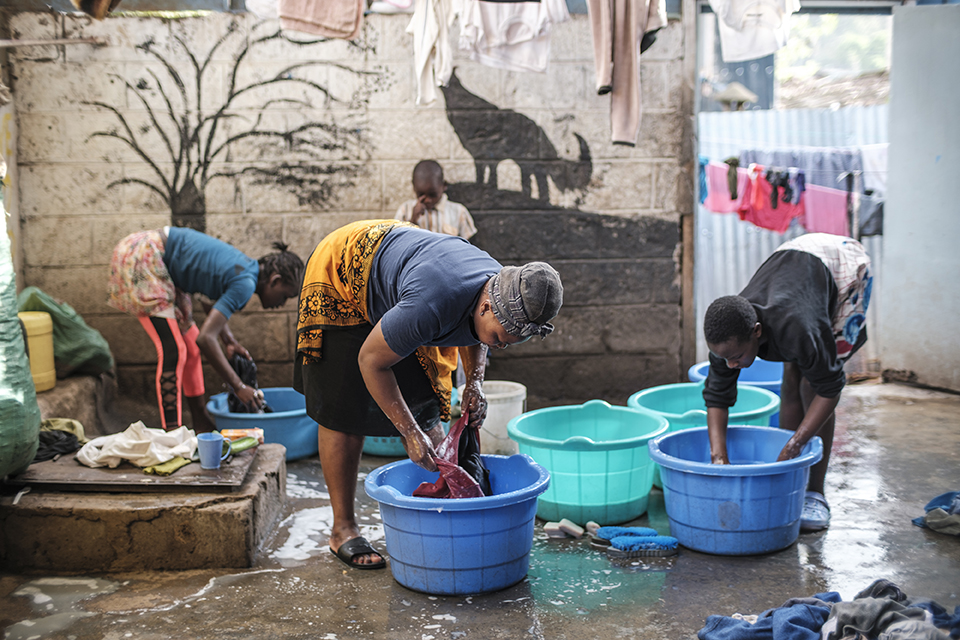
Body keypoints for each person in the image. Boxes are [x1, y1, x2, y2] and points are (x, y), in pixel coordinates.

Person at [294, 219, 562, 569]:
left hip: (404, 276)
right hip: (342, 274)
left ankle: (446, 519)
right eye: (498, 339)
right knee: (343, 411)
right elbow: (371, 361)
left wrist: (475, 383)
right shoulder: (433, 303)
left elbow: (478, 336)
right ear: (486, 307)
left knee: (430, 419)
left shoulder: (503, 286)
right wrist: (408, 433)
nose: (497, 346)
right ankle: (342, 529)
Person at [701, 233, 872, 532]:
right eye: (724, 359)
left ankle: (814, 492)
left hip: (840, 265)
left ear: (756, 331)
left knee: (812, 383)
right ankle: (788, 476)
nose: (731, 365)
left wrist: (794, 444)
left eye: (737, 357)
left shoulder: (800, 327)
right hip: (794, 259)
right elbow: (717, 397)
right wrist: (719, 461)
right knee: (791, 378)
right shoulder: (726, 338)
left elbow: (830, 389)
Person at [107, 226, 304, 432]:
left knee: (191, 347)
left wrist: (229, 341)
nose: (281, 304)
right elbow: (206, 338)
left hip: (157, 259)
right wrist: (238, 386)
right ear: (275, 281)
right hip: (146, 255)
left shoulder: (244, 269)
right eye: (285, 297)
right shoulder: (245, 283)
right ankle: (172, 432)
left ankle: (200, 421)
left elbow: (211, 303)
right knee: (174, 350)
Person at [395, 160, 478, 240]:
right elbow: (397, 243)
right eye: (421, 195)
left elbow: (467, 247)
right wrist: (413, 220)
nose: (427, 200)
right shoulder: (405, 211)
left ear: (444, 185)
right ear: (414, 187)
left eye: (433, 195)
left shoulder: (459, 212)